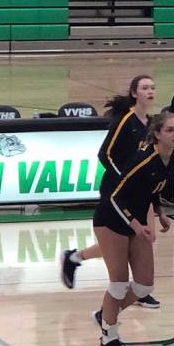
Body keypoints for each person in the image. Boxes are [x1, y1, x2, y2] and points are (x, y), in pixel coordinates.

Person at [61, 75, 162, 308]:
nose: (150, 91)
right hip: (117, 192)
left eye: (153, 88)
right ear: (134, 93)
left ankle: (139, 287)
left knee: (145, 237)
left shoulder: (152, 124)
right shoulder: (126, 121)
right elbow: (104, 154)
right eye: (145, 87)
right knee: (119, 240)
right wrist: (123, 180)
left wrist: (157, 204)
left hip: (141, 193)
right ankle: (77, 260)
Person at [91, 112, 174, 346]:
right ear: (157, 135)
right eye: (170, 130)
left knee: (143, 286)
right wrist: (136, 224)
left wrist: (160, 212)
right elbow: (114, 196)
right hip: (111, 219)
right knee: (119, 284)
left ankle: (105, 314)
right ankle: (108, 340)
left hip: (137, 222)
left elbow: (153, 189)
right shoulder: (143, 160)